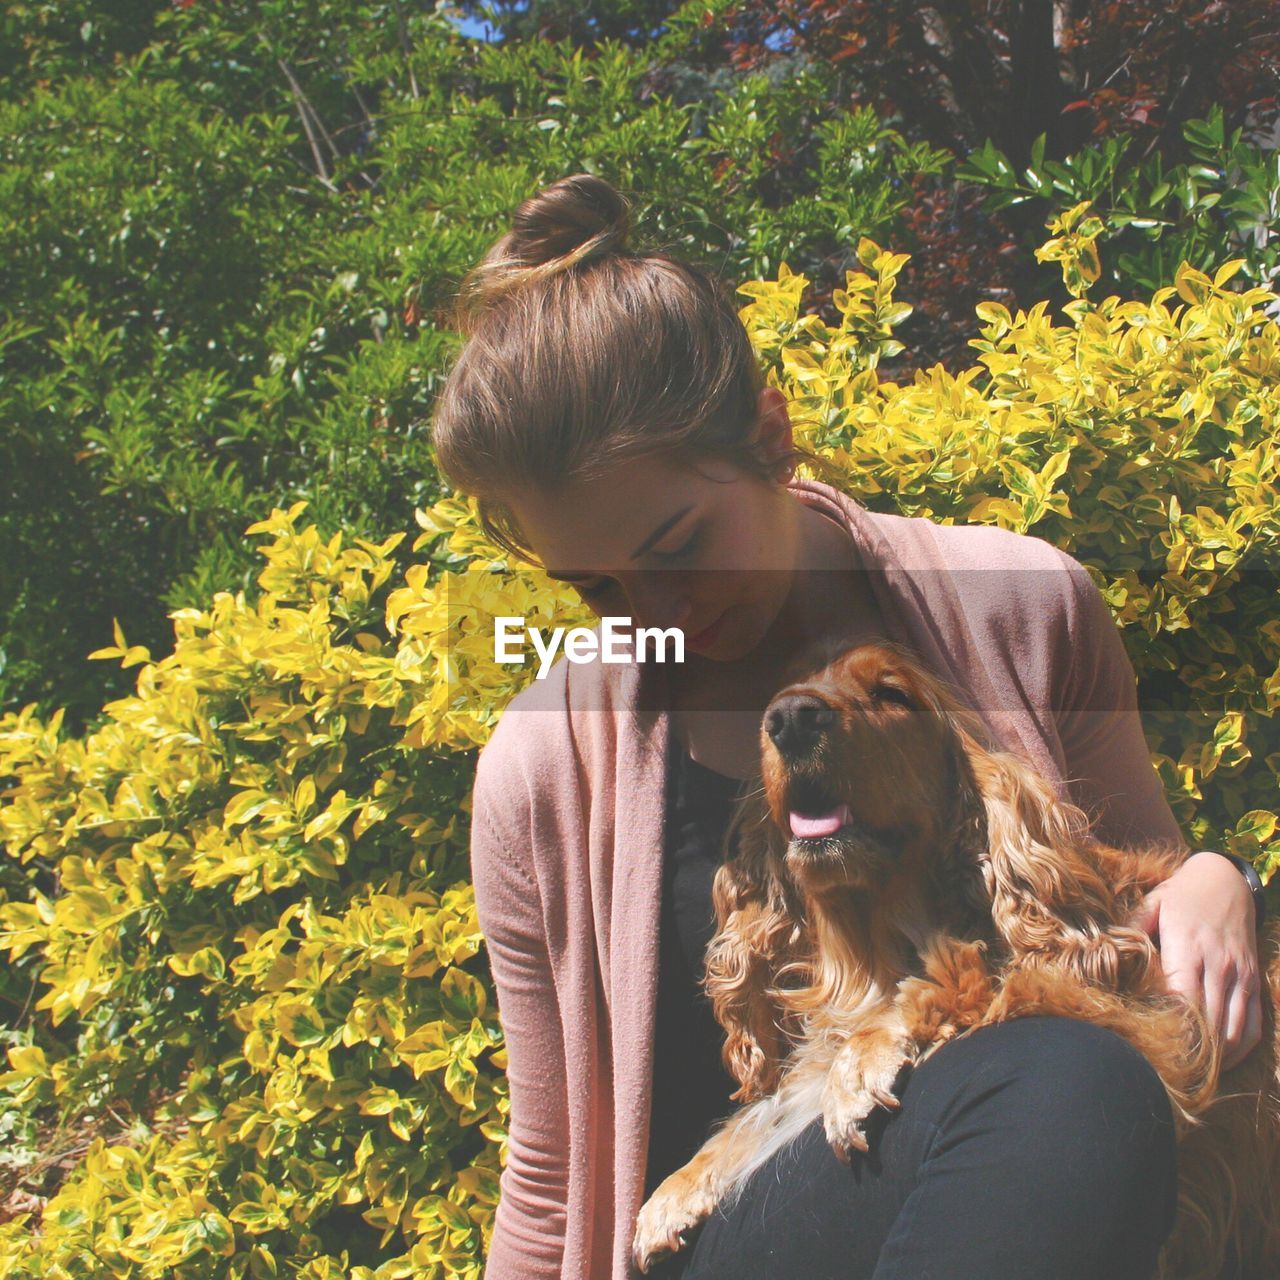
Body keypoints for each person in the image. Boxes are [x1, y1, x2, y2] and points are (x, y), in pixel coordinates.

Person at [429, 173, 1263, 1280]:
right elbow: (548, 1177)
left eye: (678, 547)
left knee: (1071, 1082)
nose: (655, 616)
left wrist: (1213, 878)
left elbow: (1126, 921)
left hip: (1028, 1194)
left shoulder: (1026, 604)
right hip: (735, 1233)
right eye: (597, 590)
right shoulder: (541, 769)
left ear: (769, 435)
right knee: (1061, 1082)